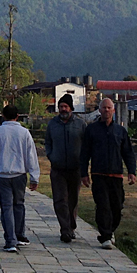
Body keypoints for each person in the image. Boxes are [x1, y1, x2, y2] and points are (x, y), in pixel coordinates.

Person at [80, 98, 137, 249]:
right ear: (99, 110)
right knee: (103, 205)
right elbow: (85, 153)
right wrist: (83, 173)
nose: (106, 110)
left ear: (113, 110)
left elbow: (128, 153)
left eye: (109, 108)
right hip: (98, 175)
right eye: (103, 108)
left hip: (116, 175)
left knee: (117, 207)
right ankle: (105, 236)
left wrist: (132, 172)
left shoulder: (120, 131)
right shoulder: (91, 130)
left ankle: (110, 230)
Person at [0, 105, 40, 253]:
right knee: (19, 205)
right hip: (20, 175)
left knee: (6, 207)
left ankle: (10, 240)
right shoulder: (24, 133)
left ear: (3, 116)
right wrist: (34, 177)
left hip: (3, 175)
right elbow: (31, 156)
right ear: (17, 116)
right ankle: (19, 235)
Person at [44, 93, 87, 243]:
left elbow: (86, 145)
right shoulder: (52, 124)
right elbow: (47, 142)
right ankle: (65, 229)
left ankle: (71, 226)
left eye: (65, 107)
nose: (63, 109)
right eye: (61, 107)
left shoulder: (80, 124)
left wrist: (84, 164)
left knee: (73, 200)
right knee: (60, 199)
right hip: (58, 168)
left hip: (75, 169)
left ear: (71, 108)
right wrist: (51, 156)